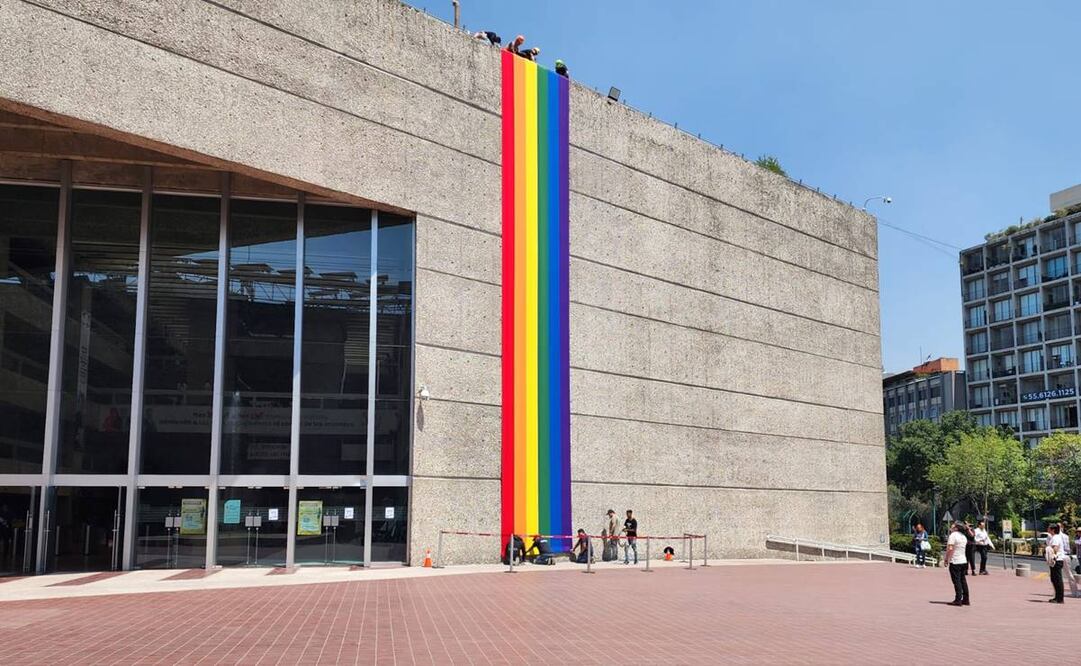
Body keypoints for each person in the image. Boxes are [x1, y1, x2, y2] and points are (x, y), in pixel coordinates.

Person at [945, 521, 970, 606]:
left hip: (955, 561)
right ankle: (966, 599)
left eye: (953, 525)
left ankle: (958, 599)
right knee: (963, 580)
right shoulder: (963, 536)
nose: (951, 526)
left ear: (956, 528)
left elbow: (950, 548)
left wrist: (946, 559)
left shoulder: (953, 535)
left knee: (957, 581)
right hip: (963, 561)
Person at [1046, 523, 1067, 603]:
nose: (1047, 529)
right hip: (1055, 560)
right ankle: (1057, 597)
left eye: (1049, 528)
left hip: (1057, 560)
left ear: (1053, 530)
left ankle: (1060, 599)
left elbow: (1055, 548)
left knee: (1057, 579)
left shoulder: (1056, 538)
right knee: (1054, 579)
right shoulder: (1054, 537)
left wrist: (1051, 556)